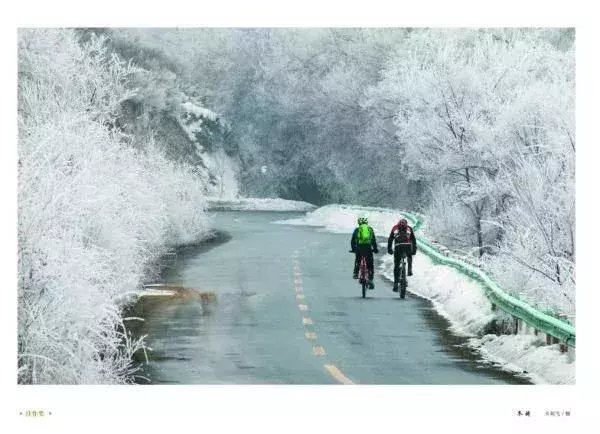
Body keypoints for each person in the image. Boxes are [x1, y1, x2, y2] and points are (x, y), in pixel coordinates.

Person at [387, 218, 417, 292]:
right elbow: (413, 240)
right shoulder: (409, 228)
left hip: (398, 247)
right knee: (409, 255)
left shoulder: (395, 228)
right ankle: (409, 270)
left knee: (396, 265)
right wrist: (414, 250)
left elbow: (390, 239)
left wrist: (389, 249)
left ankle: (395, 283)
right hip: (407, 246)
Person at [350, 217, 379, 289]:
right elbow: (373, 240)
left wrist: (354, 249)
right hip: (368, 248)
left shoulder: (357, 230)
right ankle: (370, 279)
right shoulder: (370, 229)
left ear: (359, 223)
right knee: (370, 265)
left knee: (358, 260)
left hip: (359, 248)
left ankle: (356, 273)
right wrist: (375, 249)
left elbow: (353, 241)